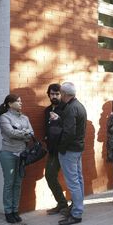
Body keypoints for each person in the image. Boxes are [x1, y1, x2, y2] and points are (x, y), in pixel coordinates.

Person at [0, 94, 33, 223]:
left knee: (18, 183)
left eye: (21, 101)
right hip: (8, 154)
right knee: (9, 183)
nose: (21, 103)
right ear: (9, 104)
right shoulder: (4, 117)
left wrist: (22, 133)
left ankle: (15, 210)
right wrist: (25, 132)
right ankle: (8, 212)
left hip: (22, 154)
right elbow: (10, 133)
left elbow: (32, 134)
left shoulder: (25, 118)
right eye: (18, 101)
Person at [57, 82, 87, 225]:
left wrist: (60, 147)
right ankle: (77, 207)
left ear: (64, 94)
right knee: (78, 180)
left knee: (73, 182)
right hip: (77, 148)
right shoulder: (79, 106)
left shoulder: (71, 108)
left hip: (70, 150)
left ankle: (76, 213)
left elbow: (69, 132)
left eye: (60, 93)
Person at [44, 83, 69, 215]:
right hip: (52, 150)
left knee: (72, 177)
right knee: (49, 175)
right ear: (48, 95)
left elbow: (68, 128)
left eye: (57, 94)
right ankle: (62, 203)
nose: (54, 96)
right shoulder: (47, 110)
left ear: (61, 94)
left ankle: (70, 206)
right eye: (52, 94)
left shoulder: (66, 109)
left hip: (64, 149)